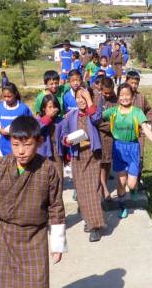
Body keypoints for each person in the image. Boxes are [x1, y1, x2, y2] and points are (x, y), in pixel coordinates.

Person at [0, 116, 67, 288]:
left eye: (27, 145)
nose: (21, 151)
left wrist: (57, 245)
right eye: (16, 145)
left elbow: (56, 207)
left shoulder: (48, 169)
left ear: (39, 141)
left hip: (35, 237)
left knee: (35, 283)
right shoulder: (1, 166)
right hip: (6, 235)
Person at [102, 83, 152, 219]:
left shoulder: (137, 112)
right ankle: (122, 206)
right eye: (122, 95)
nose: (124, 97)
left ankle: (134, 189)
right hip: (118, 148)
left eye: (127, 95)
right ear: (118, 96)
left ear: (132, 97)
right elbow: (97, 118)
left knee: (131, 184)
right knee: (121, 182)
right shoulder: (112, 111)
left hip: (133, 148)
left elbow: (146, 129)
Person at [60, 87, 106, 242]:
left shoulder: (93, 112)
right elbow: (63, 135)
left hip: (92, 155)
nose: (80, 100)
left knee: (92, 189)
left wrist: (90, 100)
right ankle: (88, 219)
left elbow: (97, 119)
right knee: (81, 190)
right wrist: (66, 140)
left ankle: (95, 227)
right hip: (77, 157)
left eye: (83, 97)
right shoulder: (71, 116)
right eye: (78, 97)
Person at [125, 70, 152, 190]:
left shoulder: (141, 97)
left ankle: (137, 180)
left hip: (139, 134)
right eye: (131, 82)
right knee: (126, 157)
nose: (134, 85)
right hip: (125, 134)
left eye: (136, 83)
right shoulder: (121, 96)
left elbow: (149, 110)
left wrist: (148, 124)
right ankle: (127, 179)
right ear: (126, 81)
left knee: (139, 157)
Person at [0, 83, 33, 157]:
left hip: (21, 143)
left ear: (15, 94)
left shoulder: (23, 108)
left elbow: (31, 124)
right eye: (4, 96)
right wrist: (1, 131)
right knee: (7, 165)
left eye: (9, 96)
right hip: (4, 143)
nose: (6, 99)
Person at [96, 77, 118, 201]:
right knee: (100, 163)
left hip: (111, 138)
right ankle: (103, 187)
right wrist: (111, 126)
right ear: (101, 89)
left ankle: (103, 184)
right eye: (106, 93)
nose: (108, 95)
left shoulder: (116, 99)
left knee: (107, 162)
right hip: (100, 136)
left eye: (110, 92)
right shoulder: (97, 100)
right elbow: (96, 120)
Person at [36, 94, 64, 186]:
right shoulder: (39, 119)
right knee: (44, 180)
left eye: (54, 106)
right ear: (44, 108)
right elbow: (36, 130)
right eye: (50, 107)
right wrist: (48, 118)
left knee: (58, 179)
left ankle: (57, 198)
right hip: (43, 153)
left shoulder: (60, 120)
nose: (53, 109)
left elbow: (65, 135)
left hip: (57, 154)